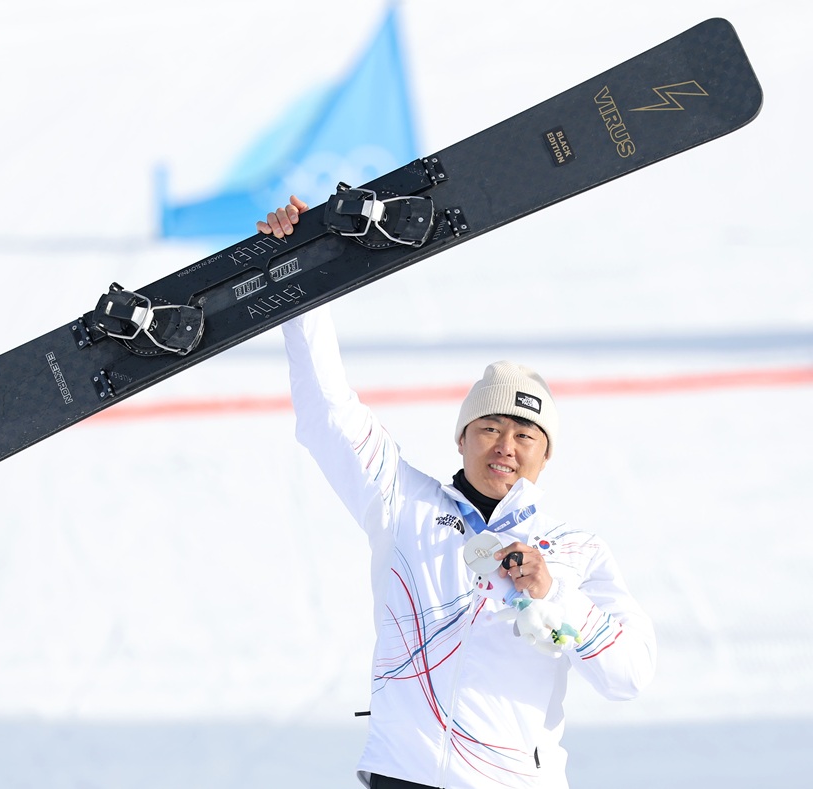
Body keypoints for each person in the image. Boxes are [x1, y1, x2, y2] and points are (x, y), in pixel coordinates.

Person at [258, 197, 656, 789]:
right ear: (462, 438)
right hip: (404, 774)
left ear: (546, 455)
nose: (506, 446)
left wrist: (555, 595)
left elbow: (630, 675)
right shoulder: (403, 503)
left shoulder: (576, 552)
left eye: (526, 435)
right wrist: (300, 269)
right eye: (490, 428)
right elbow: (328, 412)